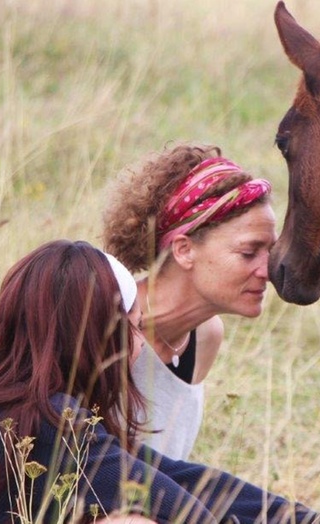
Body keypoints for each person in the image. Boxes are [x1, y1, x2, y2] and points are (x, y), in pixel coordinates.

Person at [0, 240, 320, 524]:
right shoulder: (53, 418)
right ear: (103, 333)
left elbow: (179, 476)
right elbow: (185, 510)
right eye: (134, 324)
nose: (139, 340)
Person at [103, 144, 275, 460]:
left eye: (270, 254)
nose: (268, 272)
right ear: (184, 250)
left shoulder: (205, 336)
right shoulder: (106, 323)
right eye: (249, 253)